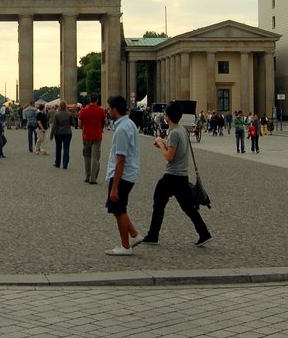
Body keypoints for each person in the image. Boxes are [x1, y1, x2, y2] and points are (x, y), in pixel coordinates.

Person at [139, 103, 212, 247]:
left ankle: (153, 235)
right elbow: (176, 151)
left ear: (168, 117)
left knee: (159, 203)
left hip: (172, 175)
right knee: (188, 207)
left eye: (166, 114)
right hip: (182, 175)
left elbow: (169, 157)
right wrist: (164, 144)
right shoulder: (182, 130)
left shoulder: (174, 133)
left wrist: (161, 144)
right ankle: (204, 233)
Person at [103, 95, 143, 256]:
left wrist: (114, 187)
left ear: (114, 109)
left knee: (118, 209)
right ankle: (134, 234)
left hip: (123, 174)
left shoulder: (121, 129)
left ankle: (126, 246)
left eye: (109, 108)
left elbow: (121, 159)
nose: (107, 110)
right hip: (129, 172)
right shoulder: (129, 124)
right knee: (117, 208)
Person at [78, 93, 107, 184]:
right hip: (97, 136)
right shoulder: (101, 110)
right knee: (95, 157)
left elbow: (79, 124)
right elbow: (105, 122)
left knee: (86, 156)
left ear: (89, 99)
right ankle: (93, 178)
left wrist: (84, 128)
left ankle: (87, 176)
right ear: (97, 100)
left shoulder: (83, 110)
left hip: (86, 136)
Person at [50, 102, 76, 169]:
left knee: (58, 148)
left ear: (60, 106)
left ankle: (57, 163)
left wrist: (51, 135)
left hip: (58, 133)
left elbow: (54, 126)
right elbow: (73, 124)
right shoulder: (69, 114)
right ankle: (65, 164)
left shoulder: (57, 114)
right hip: (67, 133)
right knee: (66, 148)